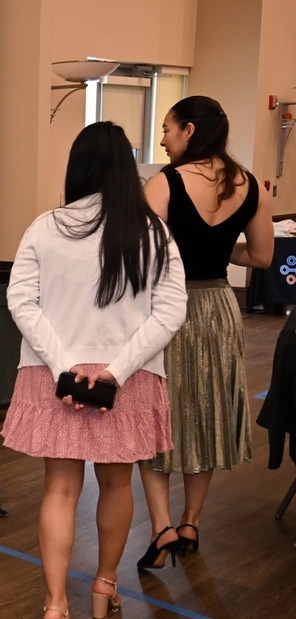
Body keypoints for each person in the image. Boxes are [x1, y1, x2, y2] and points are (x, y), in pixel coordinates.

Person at [1, 122, 187, 619]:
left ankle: (55, 607)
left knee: (59, 490)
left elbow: (22, 302)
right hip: (126, 382)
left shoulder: (45, 227)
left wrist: (64, 366)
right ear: (128, 170)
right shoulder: (152, 232)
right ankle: (104, 586)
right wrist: (115, 370)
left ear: (76, 168)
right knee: (117, 486)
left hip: (51, 377)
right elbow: (171, 311)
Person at [137, 95, 273, 568]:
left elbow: (141, 259)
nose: (163, 138)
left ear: (189, 131)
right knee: (209, 411)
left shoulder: (165, 184)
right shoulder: (249, 184)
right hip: (218, 306)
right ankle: (192, 521)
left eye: (168, 129)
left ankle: (161, 529)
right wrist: (220, 252)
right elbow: (260, 258)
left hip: (166, 310)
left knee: (154, 416)